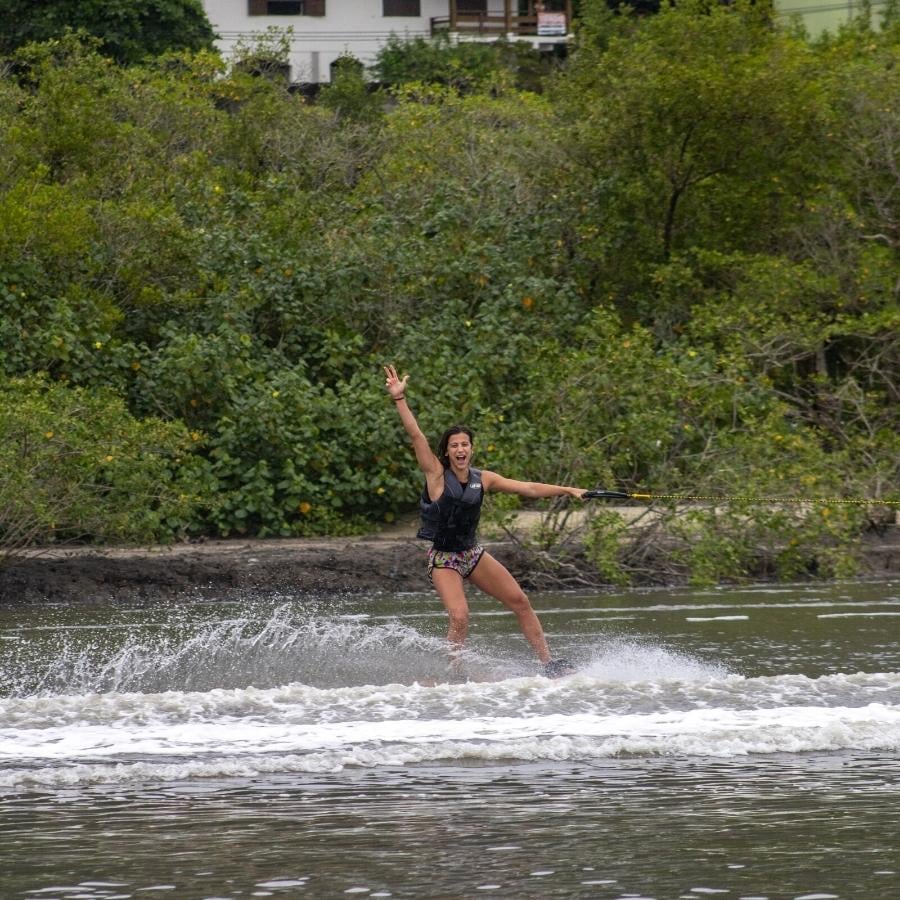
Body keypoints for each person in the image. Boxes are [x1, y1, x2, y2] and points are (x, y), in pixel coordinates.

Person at [383, 364, 589, 678]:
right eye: (454, 445)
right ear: (448, 452)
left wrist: (568, 490)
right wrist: (399, 399)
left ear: (472, 448)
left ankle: (550, 664)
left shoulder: (485, 478)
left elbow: (529, 488)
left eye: (464, 444)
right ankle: (454, 674)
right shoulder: (436, 475)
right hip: (444, 559)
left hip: (471, 554)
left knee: (520, 600)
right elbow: (416, 435)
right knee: (461, 616)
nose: (460, 449)